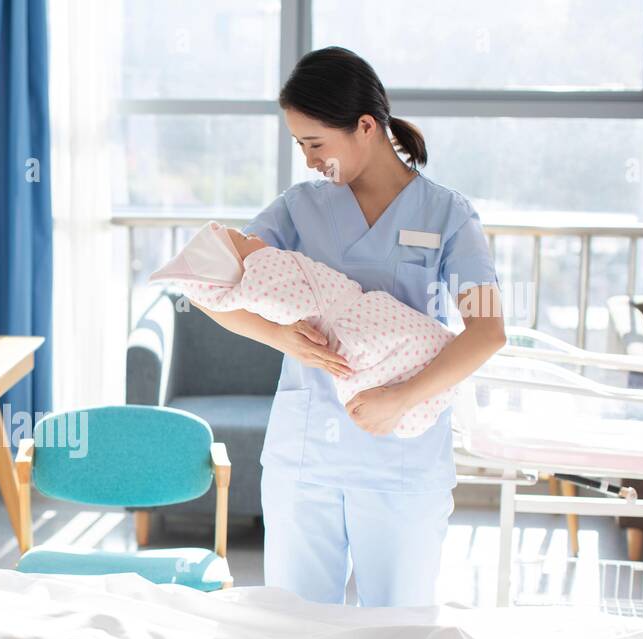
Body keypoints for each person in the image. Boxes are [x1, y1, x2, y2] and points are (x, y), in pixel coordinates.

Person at [198, 47, 506, 607]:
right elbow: (210, 286)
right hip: (305, 454)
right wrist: (280, 337)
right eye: (300, 146)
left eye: (315, 143)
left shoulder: (448, 215)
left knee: (397, 632)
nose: (310, 160)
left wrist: (400, 398)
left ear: (366, 126)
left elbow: (488, 332)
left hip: (401, 457)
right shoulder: (297, 209)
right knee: (295, 631)